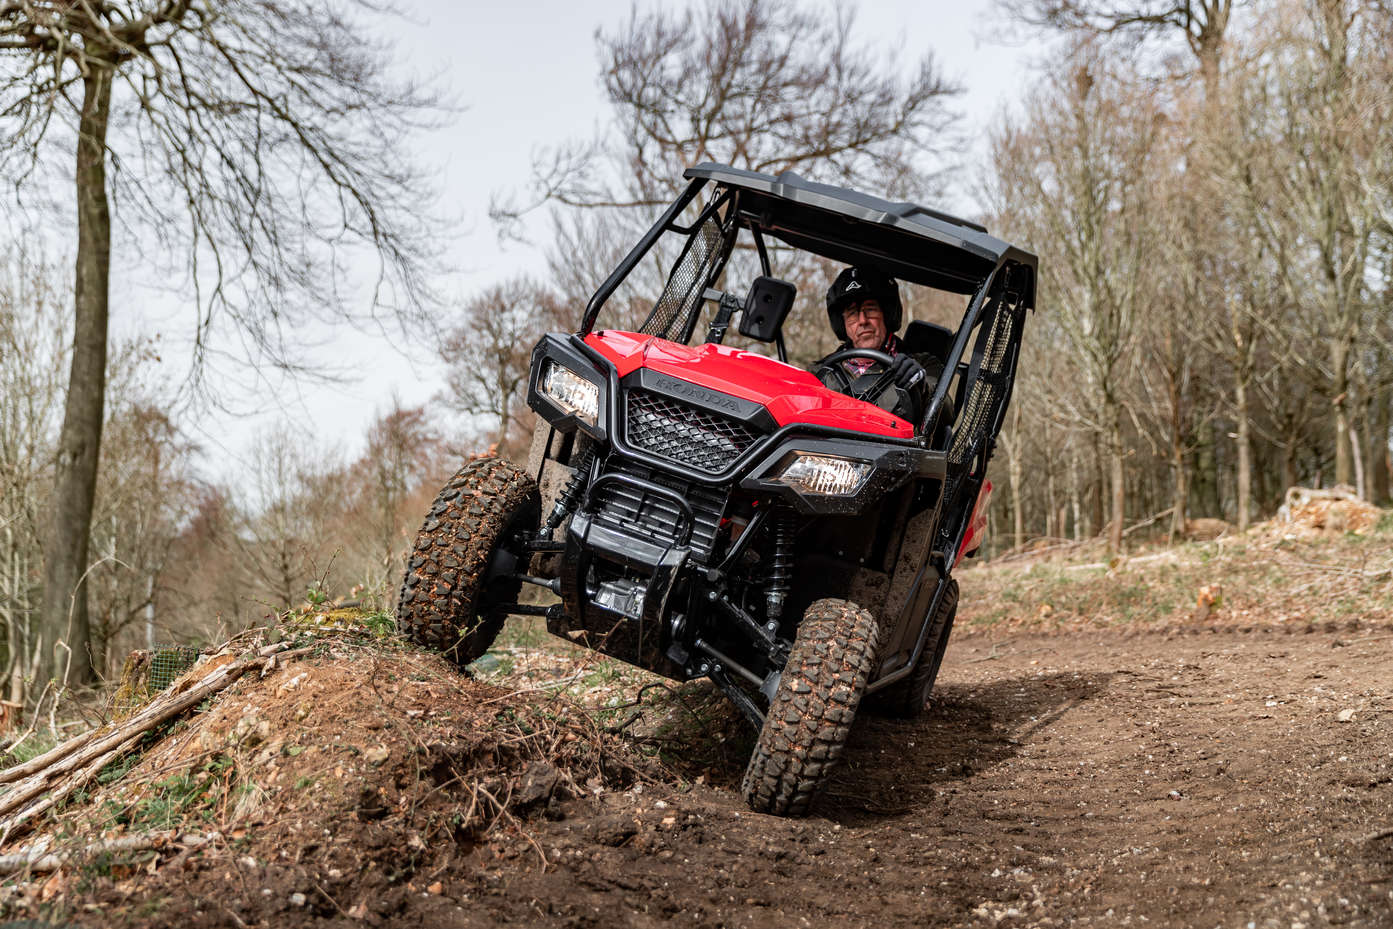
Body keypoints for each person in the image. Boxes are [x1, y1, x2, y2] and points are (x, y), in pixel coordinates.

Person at [814, 266, 944, 426]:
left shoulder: (923, 364)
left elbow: (946, 410)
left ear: (887, 315)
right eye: (852, 314)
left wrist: (921, 386)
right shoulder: (821, 373)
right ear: (843, 325)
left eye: (870, 309)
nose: (862, 320)